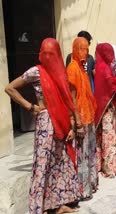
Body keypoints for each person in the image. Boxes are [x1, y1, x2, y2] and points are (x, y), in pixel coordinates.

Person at [5, 38, 81, 213]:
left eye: (51, 53)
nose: (48, 56)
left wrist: (71, 125)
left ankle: (59, 204)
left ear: (58, 54)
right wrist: (29, 106)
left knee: (61, 162)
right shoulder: (36, 72)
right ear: (40, 54)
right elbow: (9, 88)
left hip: (62, 123)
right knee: (42, 164)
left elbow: (68, 101)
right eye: (44, 53)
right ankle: (39, 207)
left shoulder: (62, 73)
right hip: (46, 123)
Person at [66, 37, 98, 199]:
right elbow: (72, 98)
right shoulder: (72, 68)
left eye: (86, 49)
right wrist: (77, 122)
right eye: (81, 49)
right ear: (75, 49)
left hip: (88, 116)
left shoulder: (82, 67)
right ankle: (82, 190)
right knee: (82, 154)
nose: (85, 52)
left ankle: (91, 184)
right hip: (81, 119)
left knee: (90, 152)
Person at [94, 43, 116, 178]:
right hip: (107, 109)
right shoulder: (105, 68)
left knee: (104, 136)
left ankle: (105, 165)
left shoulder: (101, 67)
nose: (112, 56)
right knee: (110, 136)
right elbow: (111, 87)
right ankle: (110, 167)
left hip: (105, 107)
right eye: (109, 53)